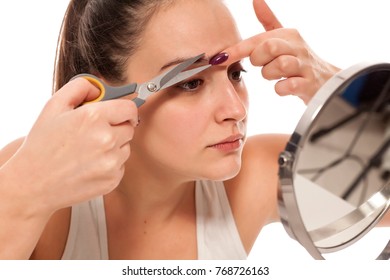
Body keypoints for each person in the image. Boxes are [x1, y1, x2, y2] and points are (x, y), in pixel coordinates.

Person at [0, 0, 340, 259]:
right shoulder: (35, 178)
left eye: (236, 73)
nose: (235, 110)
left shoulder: (256, 177)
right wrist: (22, 194)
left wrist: (339, 92)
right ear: (101, 95)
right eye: (190, 83)